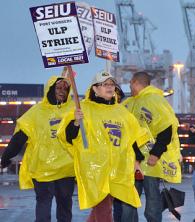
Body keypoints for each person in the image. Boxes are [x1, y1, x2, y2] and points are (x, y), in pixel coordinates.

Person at [57, 71, 148, 222]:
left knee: (102, 210)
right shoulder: (84, 108)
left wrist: (137, 161)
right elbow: (68, 137)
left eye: (112, 84)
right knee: (104, 210)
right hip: (95, 169)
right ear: (95, 88)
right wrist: (75, 122)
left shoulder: (121, 112)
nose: (110, 87)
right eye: (105, 84)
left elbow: (132, 137)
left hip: (117, 169)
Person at [0, 76, 75, 222]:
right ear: (51, 89)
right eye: (58, 88)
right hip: (43, 169)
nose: (62, 91)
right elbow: (19, 138)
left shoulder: (74, 110)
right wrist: (7, 156)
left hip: (66, 168)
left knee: (65, 208)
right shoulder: (36, 112)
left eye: (65, 88)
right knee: (44, 207)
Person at [120, 71, 182, 222]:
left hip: (150, 163)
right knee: (128, 203)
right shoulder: (131, 102)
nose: (130, 88)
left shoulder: (154, 100)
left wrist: (155, 154)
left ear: (135, 82)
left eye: (130, 84)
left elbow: (166, 127)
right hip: (132, 161)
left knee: (152, 205)